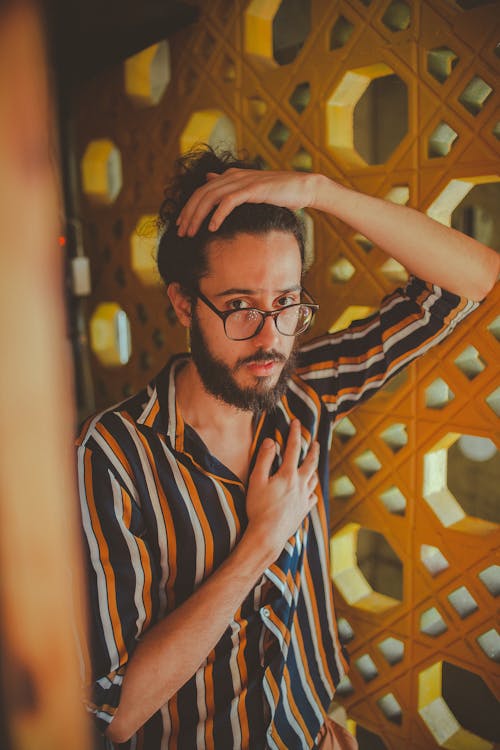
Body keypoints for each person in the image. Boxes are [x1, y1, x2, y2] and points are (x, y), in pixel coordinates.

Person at [76, 147, 499, 750]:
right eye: (241, 307)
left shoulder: (304, 392)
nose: (271, 339)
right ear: (183, 305)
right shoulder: (112, 456)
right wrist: (261, 543)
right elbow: (115, 711)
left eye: (287, 303)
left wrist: (320, 192)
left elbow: (469, 281)